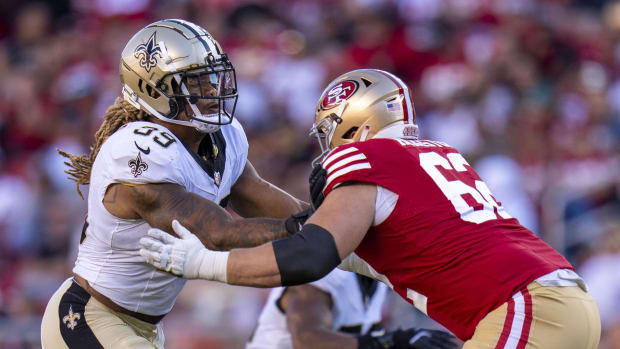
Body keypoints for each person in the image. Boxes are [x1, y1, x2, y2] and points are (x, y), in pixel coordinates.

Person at [141, 69, 602, 349]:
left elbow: (312, 254)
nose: (326, 149)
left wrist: (205, 263)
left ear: (352, 124)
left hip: (525, 307)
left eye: (329, 133)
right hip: (559, 301)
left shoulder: (368, 159)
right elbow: (343, 245)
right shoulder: (433, 156)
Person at [41, 19, 309, 349]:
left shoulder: (220, 138)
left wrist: (331, 220)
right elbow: (217, 234)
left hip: (145, 326)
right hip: (90, 318)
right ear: (154, 91)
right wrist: (309, 230)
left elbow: (258, 194)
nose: (213, 89)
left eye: (213, 76)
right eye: (196, 81)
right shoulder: (138, 150)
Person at [246, 268, 456, 349]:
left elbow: (359, 342)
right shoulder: (321, 271)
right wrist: (390, 341)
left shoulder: (376, 280)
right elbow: (307, 340)